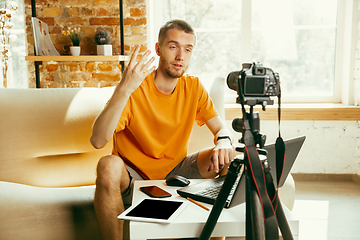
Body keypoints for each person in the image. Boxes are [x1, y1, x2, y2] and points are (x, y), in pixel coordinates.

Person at [90, 19, 235, 240]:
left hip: (177, 171)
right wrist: (124, 88)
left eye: (188, 49)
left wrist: (224, 140)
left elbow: (219, 127)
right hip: (133, 176)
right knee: (107, 165)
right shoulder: (135, 88)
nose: (180, 57)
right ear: (158, 49)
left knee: (230, 158)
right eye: (173, 46)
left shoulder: (193, 87)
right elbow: (98, 141)